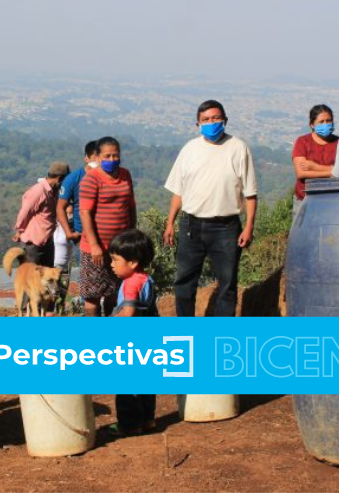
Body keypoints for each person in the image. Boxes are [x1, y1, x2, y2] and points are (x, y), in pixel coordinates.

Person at [163, 100, 258, 317]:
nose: (211, 123)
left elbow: (250, 193)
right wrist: (170, 223)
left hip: (226, 227)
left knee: (227, 283)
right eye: (205, 119)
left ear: (225, 120)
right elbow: (179, 191)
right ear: (198, 123)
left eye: (215, 118)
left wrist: (249, 227)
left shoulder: (238, 148)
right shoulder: (189, 149)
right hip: (191, 225)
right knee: (184, 282)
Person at [107, 229, 157, 436]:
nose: (111, 264)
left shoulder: (130, 283)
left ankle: (129, 424)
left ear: (133, 262)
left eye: (115, 260)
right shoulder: (146, 279)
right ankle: (148, 420)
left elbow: (128, 313)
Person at [79, 137, 136, 317]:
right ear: (97, 157)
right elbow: (85, 213)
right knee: (93, 295)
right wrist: (94, 245)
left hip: (119, 247)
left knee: (114, 292)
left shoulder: (125, 175)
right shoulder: (91, 179)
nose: (112, 159)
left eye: (115, 155)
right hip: (95, 249)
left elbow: (131, 207)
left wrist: (131, 236)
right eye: (107, 156)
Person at [55, 140, 98, 314]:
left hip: (105, 235)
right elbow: (60, 207)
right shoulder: (74, 179)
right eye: (95, 157)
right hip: (82, 236)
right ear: (86, 158)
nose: (98, 161)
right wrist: (69, 232)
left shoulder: (108, 177)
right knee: (86, 277)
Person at [12, 162, 70, 267]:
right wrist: (19, 230)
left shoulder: (53, 192)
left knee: (47, 274)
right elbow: (25, 212)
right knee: (32, 274)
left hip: (47, 241)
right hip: (33, 243)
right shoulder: (38, 191)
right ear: (59, 178)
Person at [292, 105, 338, 217]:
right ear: (312, 124)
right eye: (321, 122)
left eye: (328, 121)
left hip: (332, 200)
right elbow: (301, 173)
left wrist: (314, 167)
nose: (325, 124)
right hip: (305, 200)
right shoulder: (303, 142)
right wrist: (333, 171)